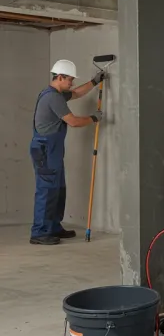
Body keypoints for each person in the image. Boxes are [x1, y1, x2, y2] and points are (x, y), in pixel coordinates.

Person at [30, 60, 104, 245]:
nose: (71, 83)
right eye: (70, 79)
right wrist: (93, 118)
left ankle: (53, 227)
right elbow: (73, 122)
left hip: (52, 151)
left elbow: (77, 93)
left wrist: (94, 81)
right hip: (46, 150)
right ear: (60, 77)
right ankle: (39, 232)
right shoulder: (53, 98)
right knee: (46, 191)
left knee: (58, 189)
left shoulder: (57, 94)